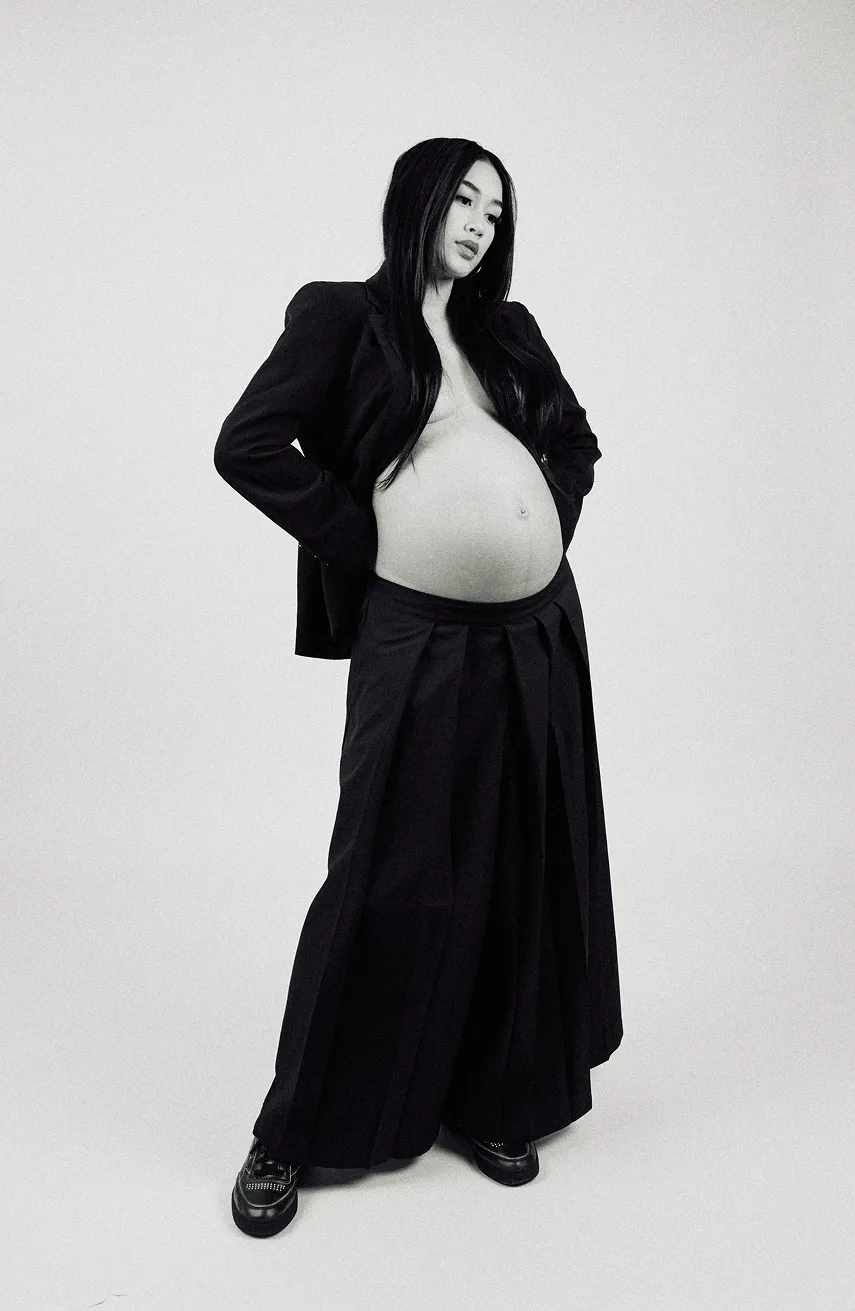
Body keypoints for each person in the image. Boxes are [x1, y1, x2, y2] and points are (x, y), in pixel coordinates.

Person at [214, 137, 622, 1238]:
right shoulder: (343, 315)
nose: (482, 222)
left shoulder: (508, 330)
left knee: (522, 857)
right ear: (417, 201)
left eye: (497, 208)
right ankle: (295, 1130)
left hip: (538, 628)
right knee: (385, 868)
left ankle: (497, 1096)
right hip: (420, 633)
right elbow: (247, 445)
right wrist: (372, 540)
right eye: (464, 199)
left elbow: (576, 441)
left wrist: (538, 523)